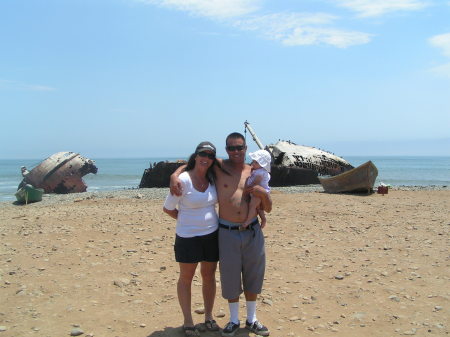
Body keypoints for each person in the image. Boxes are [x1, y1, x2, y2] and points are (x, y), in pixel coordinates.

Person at [171, 133, 272, 337]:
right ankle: (234, 320)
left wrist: (263, 193)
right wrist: (174, 176)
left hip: (252, 230)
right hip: (226, 231)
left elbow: (268, 208)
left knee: (253, 275)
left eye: (239, 148)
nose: (236, 152)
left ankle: (251, 319)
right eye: (231, 148)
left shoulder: (254, 171)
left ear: (246, 148)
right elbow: (193, 163)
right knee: (230, 276)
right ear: (226, 150)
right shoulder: (219, 166)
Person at [163, 141, 221, 337]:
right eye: (202, 154)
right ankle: (188, 320)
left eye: (210, 155)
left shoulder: (213, 178)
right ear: (196, 156)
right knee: (186, 278)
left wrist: (175, 171)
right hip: (188, 237)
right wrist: (186, 220)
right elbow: (168, 208)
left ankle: (209, 316)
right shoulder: (183, 180)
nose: (206, 158)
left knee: (208, 276)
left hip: (212, 235)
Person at [241, 149, 271, 230]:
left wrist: (247, 187)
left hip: (258, 192)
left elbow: (256, 182)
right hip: (256, 192)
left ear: (262, 164)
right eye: (253, 161)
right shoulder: (257, 170)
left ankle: (248, 221)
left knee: (253, 206)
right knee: (258, 208)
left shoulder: (260, 172)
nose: (253, 163)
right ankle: (263, 219)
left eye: (256, 162)